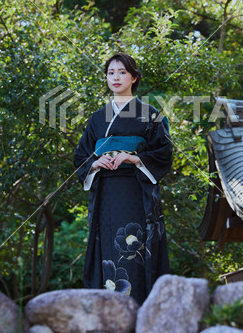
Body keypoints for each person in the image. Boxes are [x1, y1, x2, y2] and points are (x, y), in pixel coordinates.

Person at [73, 53, 172, 305]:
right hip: (106, 192)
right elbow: (82, 155)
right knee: (107, 248)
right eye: (110, 73)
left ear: (134, 77)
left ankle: (140, 310)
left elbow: (163, 152)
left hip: (135, 192)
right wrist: (95, 163)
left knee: (134, 249)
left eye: (122, 72)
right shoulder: (97, 118)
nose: (115, 77)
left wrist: (134, 158)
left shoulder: (150, 114)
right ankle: (109, 312)